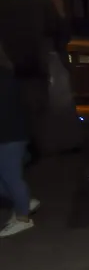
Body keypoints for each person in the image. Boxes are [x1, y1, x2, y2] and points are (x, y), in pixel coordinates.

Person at [0, 41, 40, 237]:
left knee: (11, 176)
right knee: (7, 178)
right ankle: (24, 201)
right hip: (12, 135)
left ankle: (23, 218)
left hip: (10, 136)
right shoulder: (8, 75)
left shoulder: (5, 77)